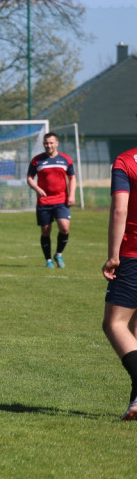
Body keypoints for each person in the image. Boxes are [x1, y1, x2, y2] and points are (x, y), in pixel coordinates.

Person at [102, 143, 137, 420]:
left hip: (133, 254)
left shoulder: (126, 161)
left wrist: (114, 256)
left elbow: (119, 211)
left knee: (115, 323)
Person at [27, 132, 76, 268]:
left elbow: (72, 177)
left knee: (64, 228)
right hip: (44, 202)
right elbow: (29, 178)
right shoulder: (37, 160)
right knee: (46, 230)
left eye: (51, 143)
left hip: (61, 200)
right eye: (46, 143)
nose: (48, 145)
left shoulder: (66, 159)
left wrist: (72, 195)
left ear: (56, 143)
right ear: (43, 144)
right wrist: (37, 189)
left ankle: (58, 254)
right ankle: (48, 259)